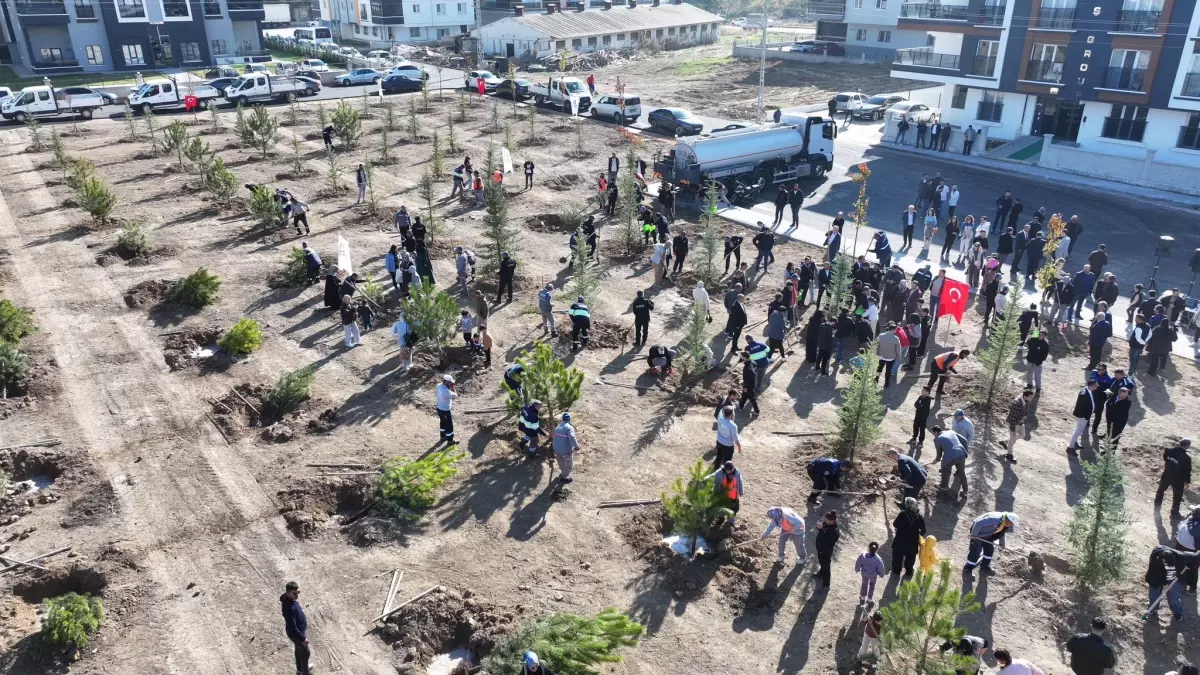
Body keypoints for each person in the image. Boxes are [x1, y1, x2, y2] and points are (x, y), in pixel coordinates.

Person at [964, 511, 1019, 580]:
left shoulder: (1004, 523)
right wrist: (974, 535)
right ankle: (967, 569)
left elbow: (1001, 533)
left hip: (988, 534)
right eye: (1012, 524)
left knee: (989, 550)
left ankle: (984, 566)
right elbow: (978, 523)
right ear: (1008, 521)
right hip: (978, 533)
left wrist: (1002, 543)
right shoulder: (995, 519)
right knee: (976, 552)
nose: (1012, 526)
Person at [1145, 545, 1188, 623]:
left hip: (1173, 578)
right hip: (1156, 576)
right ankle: (1152, 608)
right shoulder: (1156, 560)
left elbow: (1173, 574)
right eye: (1163, 560)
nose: (1163, 561)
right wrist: (1164, 583)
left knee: (1173, 597)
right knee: (1154, 592)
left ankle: (1177, 612)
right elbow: (1153, 574)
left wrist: (1169, 584)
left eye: (1165, 561)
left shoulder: (1177, 560)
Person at [1156, 439, 1192, 519]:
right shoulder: (1187, 458)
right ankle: (1174, 513)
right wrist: (1187, 482)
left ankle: (1157, 508)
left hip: (1167, 475)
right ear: (1188, 446)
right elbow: (1187, 471)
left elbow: (1165, 458)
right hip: (1178, 480)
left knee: (1161, 490)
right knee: (1177, 496)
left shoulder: (1169, 450)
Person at [280, 581, 311, 675]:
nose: (297, 595)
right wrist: (303, 638)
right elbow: (293, 627)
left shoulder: (289, 599)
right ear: (287, 593)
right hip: (296, 633)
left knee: (299, 649)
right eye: (294, 593)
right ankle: (305, 673)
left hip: (299, 631)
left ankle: (300, 670)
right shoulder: (289, 608)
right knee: (306, 653)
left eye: (298, 592)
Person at [891, 496, 926, 577]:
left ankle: (896, 571)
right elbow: (923, 530)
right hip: (912, 543)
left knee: (897, 558)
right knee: (910, 559)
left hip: (900, 541)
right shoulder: (919, 517)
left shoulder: (903, 514)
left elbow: (895, 524)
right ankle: (909, 571)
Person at [933, 425, 968, 500]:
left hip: (950, 456)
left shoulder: (937, 439)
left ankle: (944, 486)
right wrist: (965, 451)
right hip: (961, 453)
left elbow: (939, 454)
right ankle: (965, 491)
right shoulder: (951, 431)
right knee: (962, 473)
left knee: (945, 469)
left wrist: (936, 460)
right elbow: (964, 440)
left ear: (935, 432)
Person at [1068, 381, 1103, 453]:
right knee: (1078, 431)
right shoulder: (1084, 394)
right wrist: (1084, 417)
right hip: (1082, 417)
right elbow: (1081, 407)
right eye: (1096, 385)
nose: (1097, 387)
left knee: (1078, 430)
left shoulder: (1087, 391)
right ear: (1092, 386)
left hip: (1084, 416)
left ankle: (1074, 443)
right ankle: (1070, 447)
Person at [1000, 388, 1033, 463]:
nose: (1031, 398)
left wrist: (1024, 417)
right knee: (1013, 440)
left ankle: (1005, 442)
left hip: (1020, 422)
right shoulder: (1017, 403)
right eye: (1030, 397)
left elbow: (1025, 410)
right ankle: (1009, 454)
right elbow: (1012, 418)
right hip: (1013, 423)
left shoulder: (1025, 400)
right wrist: (1013, 430)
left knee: (1022, 435)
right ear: (1025, 397)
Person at [549, 411, 581, 487]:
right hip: (566, 450)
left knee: (560, 460)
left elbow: (552, 435)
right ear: (569, 419)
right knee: (569, 464)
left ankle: (563, 471)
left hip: (556, 448)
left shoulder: (557, 427)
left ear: (562, 419)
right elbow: (572, 438)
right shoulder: (569, 427)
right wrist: (576, 447)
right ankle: (564, 477)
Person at [855, 541, 886, 607]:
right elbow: (881, 567)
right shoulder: (878, 559)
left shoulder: (862, 555)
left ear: (869, 547)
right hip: (873, 575)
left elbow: (858, 563)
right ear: (876, 549)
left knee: (864, 584)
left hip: (864, 574)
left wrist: (857, 569)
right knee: (872, 586)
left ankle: (862, 597)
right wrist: (881, 574)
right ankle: (869, 599)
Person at [814, 510, 840, 587]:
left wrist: (820, 530)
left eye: (826, 520)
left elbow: (827, 542)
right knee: (822, 563)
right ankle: (821, 573)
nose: (824, 521)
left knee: (826, 567)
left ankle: (826, 584)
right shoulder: (827, 523)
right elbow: (823, 531)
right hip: (821, 549)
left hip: (825, 551)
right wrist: (820, 528)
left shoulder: (834, 532)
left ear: (832, 521)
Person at [435, 374, 457, 444]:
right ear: (447, 382)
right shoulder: (445, 391)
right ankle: (450, 440)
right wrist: (453, 387)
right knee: (449, 425)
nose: (451, 383)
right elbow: (456, 396)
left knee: (443, 422)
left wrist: (449, 386)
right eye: (450, 382)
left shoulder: (438, 385)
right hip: (445, 410)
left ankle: (443, 437)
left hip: (439, 408)